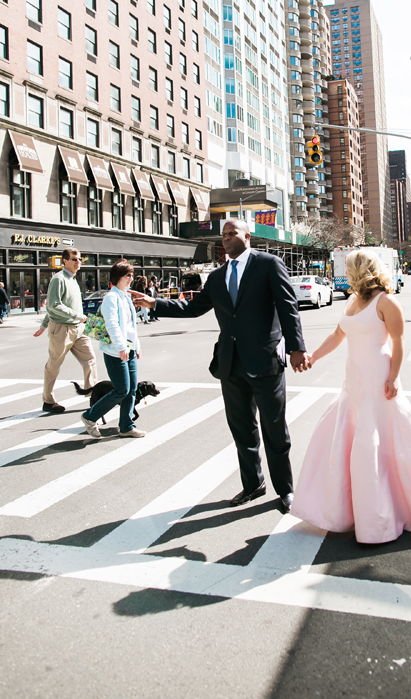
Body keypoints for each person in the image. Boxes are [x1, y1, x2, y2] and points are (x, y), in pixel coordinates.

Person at [131, 219, 310, 513]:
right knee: (242, 431)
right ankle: (253, 485)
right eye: (223, 235)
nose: (226, 239)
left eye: (232, 234)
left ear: (247, 237)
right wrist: (155, 303)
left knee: (275, 430)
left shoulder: (269, 264)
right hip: (230, 364)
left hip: (265, 362)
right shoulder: (216, 277)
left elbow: (287, 307)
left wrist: (297, 348)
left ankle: (285, 490)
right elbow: (193, 309)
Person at [290, 250, 411, 544]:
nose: (345, 274)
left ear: (360, 270)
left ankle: (390, 514)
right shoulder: (351, 301)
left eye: (349, 269)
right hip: (354, 382)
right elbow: (338, 336)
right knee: (349, 440)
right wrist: (314, 357)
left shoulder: (387, 301)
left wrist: (394, 376)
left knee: (383, 442)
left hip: (377, 379)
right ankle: (352, 511)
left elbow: (398, 342)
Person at [81, 260, 145, 439]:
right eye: (127, 275)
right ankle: (89, 416)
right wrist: (121, 346)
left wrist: (136, 346)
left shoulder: (125, 296)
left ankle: (126, 426)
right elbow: (112, 325)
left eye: (132, 275)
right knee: (121, 390)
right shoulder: (112, 297)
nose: (131, 278)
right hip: (116, 351)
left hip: (129, 349)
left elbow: (131, 325)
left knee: (131, 390)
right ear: (118, 277)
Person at [33, 248, 97, 414]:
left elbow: (56, 306)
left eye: (80, 259)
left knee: (90, 359)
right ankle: (48, 401)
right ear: (65, 261)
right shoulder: (58, 279)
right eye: (74, 259)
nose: (78, 262)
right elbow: (53, 305)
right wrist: (46, 325)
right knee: (54, 365)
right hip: (62, 329)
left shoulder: (73, 280)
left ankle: (93, 396)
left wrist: (43, 325)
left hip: (78, 329)